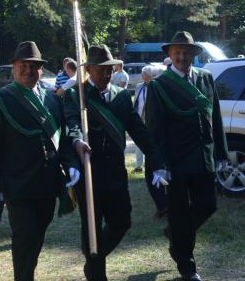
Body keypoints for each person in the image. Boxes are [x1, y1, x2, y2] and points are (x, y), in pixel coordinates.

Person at [64, 45, 168, 281]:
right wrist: (77, 140)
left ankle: (93, 261)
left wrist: (158, 160)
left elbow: (139, 131)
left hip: (116, 174)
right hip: (89, 174)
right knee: (91, 229)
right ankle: (96, 271)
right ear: (89, 69)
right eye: (101, 70)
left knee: (122, 222)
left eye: (110, 69)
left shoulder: (121, 96)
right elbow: (72, 123)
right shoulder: (76, 95)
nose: (107, 74)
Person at [0, 41, 81, 281]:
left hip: (47, 184)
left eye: (33, 66)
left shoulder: (53, 99)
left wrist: (72, 164)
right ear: (14, 68)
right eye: (22, 65)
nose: (28, 70)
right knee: (25, 237)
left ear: (40, 69)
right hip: (18, 185)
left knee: (36, 237)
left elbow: (63, 138)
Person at [145, 31, 229, 281]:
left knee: (208, 206)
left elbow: (215, 117)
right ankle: (187, 267)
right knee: (181, 213)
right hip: (176, 161)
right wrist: (159, 164)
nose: (182, 56)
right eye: (177, 52)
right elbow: (154, 129)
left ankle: (175, 234)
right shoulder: (159, 85)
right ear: (170, 55)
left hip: (204, 157)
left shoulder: (205, 78)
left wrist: (221, 152)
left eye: (186, 52)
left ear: (193, 54)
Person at [133, 64, 168, 218]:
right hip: (144, 129)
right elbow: (137, 107)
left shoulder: (162, 88)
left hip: (162, 134)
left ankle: (166, 205)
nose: (143, 77)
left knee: (161, 169)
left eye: (146, 74)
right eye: (143, 74)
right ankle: (161, 205)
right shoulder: (140, 87)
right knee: (150, 171)